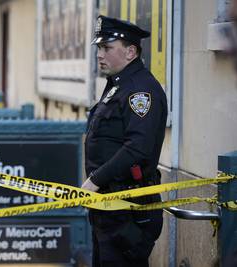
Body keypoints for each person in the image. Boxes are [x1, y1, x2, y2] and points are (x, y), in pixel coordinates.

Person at [81, 15, 168, 267]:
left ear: (130, 51)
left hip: (127, 208)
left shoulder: (141, 90)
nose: (100, 54)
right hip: (109, 207)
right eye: (99, 48)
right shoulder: (118, 85)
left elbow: (137, 148)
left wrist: (95, 180)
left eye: (107, 48)